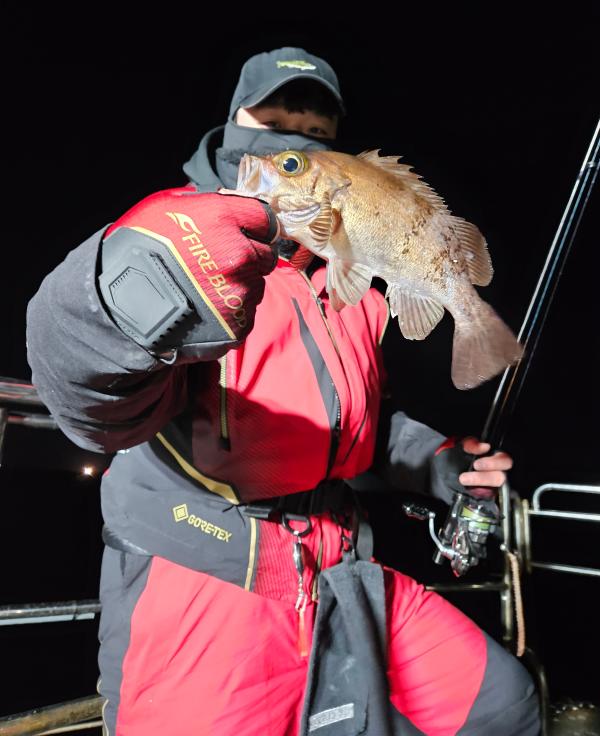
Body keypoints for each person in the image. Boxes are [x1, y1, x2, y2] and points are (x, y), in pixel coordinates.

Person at [26, 47, 540, 735]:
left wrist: (439, 462)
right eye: (274, 120)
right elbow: (85, 394)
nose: (295, 133)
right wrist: (130, 293)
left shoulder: (347, 275)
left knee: (504, 705)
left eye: (316, 128)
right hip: (206, 568)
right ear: (233, 123)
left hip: (341, 566)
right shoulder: (180, 237)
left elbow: (360, 422)